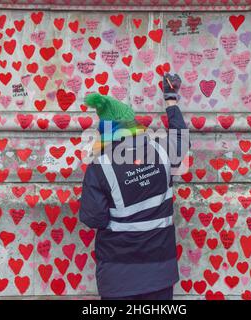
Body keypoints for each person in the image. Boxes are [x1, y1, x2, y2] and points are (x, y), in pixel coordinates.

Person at [78, 73, 189, 300]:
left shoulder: (99, 166)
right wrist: (171, 100)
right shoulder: (161, 149)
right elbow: (181, 139)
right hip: (160, 273)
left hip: (118, 278)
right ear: (132, 124)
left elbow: (93, 218)